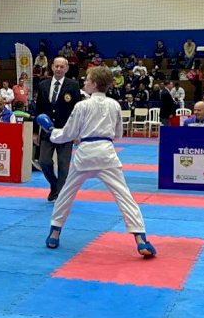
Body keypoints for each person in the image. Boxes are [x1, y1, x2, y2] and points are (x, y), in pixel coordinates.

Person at [38, 66, 156, 257]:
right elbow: (118, 134)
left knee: (66, 194)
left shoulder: (82, 106)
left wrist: (51, 132)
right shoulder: (115, 105)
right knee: (124, 196)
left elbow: (68, 134)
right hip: (107, 154)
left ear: (93, 84)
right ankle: (141, 239)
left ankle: (54, 233)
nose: (84, 82)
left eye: (87, 80)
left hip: (85, 155)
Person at [35, 57, 82, 201]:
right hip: (47, 132)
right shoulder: (43, 85)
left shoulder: (73, 85)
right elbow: (38, 109)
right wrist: (36, 132)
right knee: (44, 161)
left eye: (62, 67)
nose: (59, 69)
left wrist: (77, 132)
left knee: (63, 165)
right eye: (57, 66)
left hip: (66, 131)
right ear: (52, 67)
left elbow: (78, 110)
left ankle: (61, 194)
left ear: (66, 69)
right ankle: (54, 185)